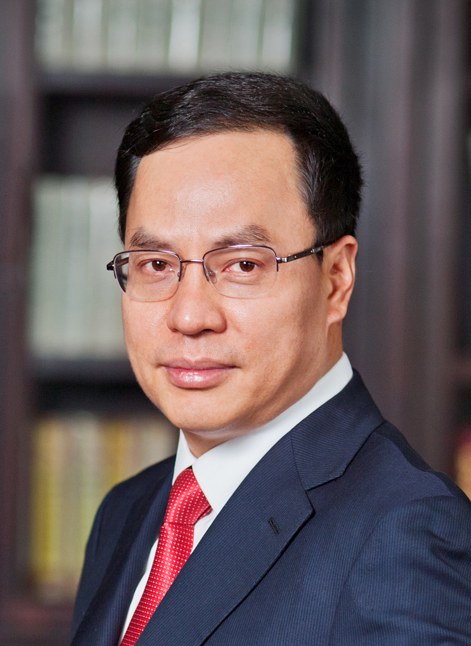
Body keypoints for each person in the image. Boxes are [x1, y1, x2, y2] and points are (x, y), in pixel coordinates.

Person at [70, 73, 471, 646]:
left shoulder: (407, 531)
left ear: (336, 280)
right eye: (156, 264)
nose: (190, 316)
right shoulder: (126, 512)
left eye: (243, 265)